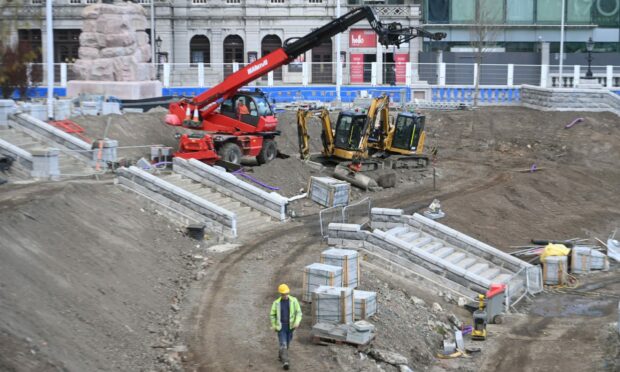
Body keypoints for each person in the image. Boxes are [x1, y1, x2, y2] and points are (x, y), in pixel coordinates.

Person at [270, 283, 302, 370]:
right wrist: (274, 325)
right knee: (283, 344)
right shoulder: (276, 303)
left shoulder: (294, 301)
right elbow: (272, 315)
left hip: (291, 327)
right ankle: (286, 362)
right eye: (284, 294)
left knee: (287, 344)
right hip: (281, 327)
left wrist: (297, 322)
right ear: (280, 294)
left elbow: (298, 313)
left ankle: (281, 355)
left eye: (287, 293)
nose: (285, 295)